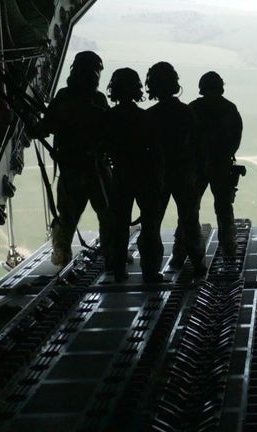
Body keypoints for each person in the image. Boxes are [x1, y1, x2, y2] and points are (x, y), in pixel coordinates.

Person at [32, 51, 112, 268]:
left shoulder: (65, 98)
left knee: (70, 217)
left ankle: (63, 256)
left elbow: (45, 127)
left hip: (76, 170)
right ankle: (110, 253)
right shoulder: (96, 100)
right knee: (105, 215)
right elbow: (110, 131)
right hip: (92, 169)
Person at [145, 62, 207, 278]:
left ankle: (151, 270)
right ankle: (198, 263)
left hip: (157, 174)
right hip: (184, 173)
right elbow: (198, 145)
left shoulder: (150, 115)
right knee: (190, 220)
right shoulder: (186, 112)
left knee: (152, 222)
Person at [102, 68, 164, 282]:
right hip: (144, 176)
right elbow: (155, 150)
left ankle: (119, 270)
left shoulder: (108, 118)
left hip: (120, 175)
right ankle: (150, 271)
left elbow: (102, 147)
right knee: (149, 225)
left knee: (119, 225)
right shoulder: (145, 117)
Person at [187, 71, 243, 257]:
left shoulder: (193, 108)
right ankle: (229, 249)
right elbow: (236, 138)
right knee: (224, 208)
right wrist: (226, 155)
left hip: (198, 166)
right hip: (221, 164)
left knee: (190, 209)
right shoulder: (229, 108)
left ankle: (186, 252)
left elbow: (186, 138)